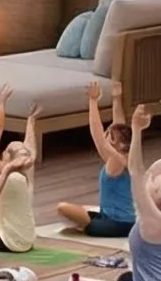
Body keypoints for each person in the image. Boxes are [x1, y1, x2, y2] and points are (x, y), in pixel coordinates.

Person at [80, 104, 161, 281]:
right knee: (125, 278)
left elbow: (136, 170)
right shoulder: (152, 215)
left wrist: (136, 129)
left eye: (154, 183)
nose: (150, 181)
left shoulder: (151, 218)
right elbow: (143, 170)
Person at [57, 81, 136, 239]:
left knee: (63, 208)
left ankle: (88, 227)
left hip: (117, 224)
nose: (106, 135)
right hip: (122, 219)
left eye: (110, 136)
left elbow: (97, 137)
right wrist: (116, 98)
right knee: (84, 208)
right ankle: (87, 224)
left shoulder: (116, 160)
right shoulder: (123, 156)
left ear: (119, 144)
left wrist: (93, 102)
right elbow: (118, 124)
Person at [0, 89, 41, 254]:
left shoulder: (8, 175)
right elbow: (30, 148)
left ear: (6, 157)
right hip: (28, 239)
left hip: (11, 242)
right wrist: (31, 121)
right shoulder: (25, 175)